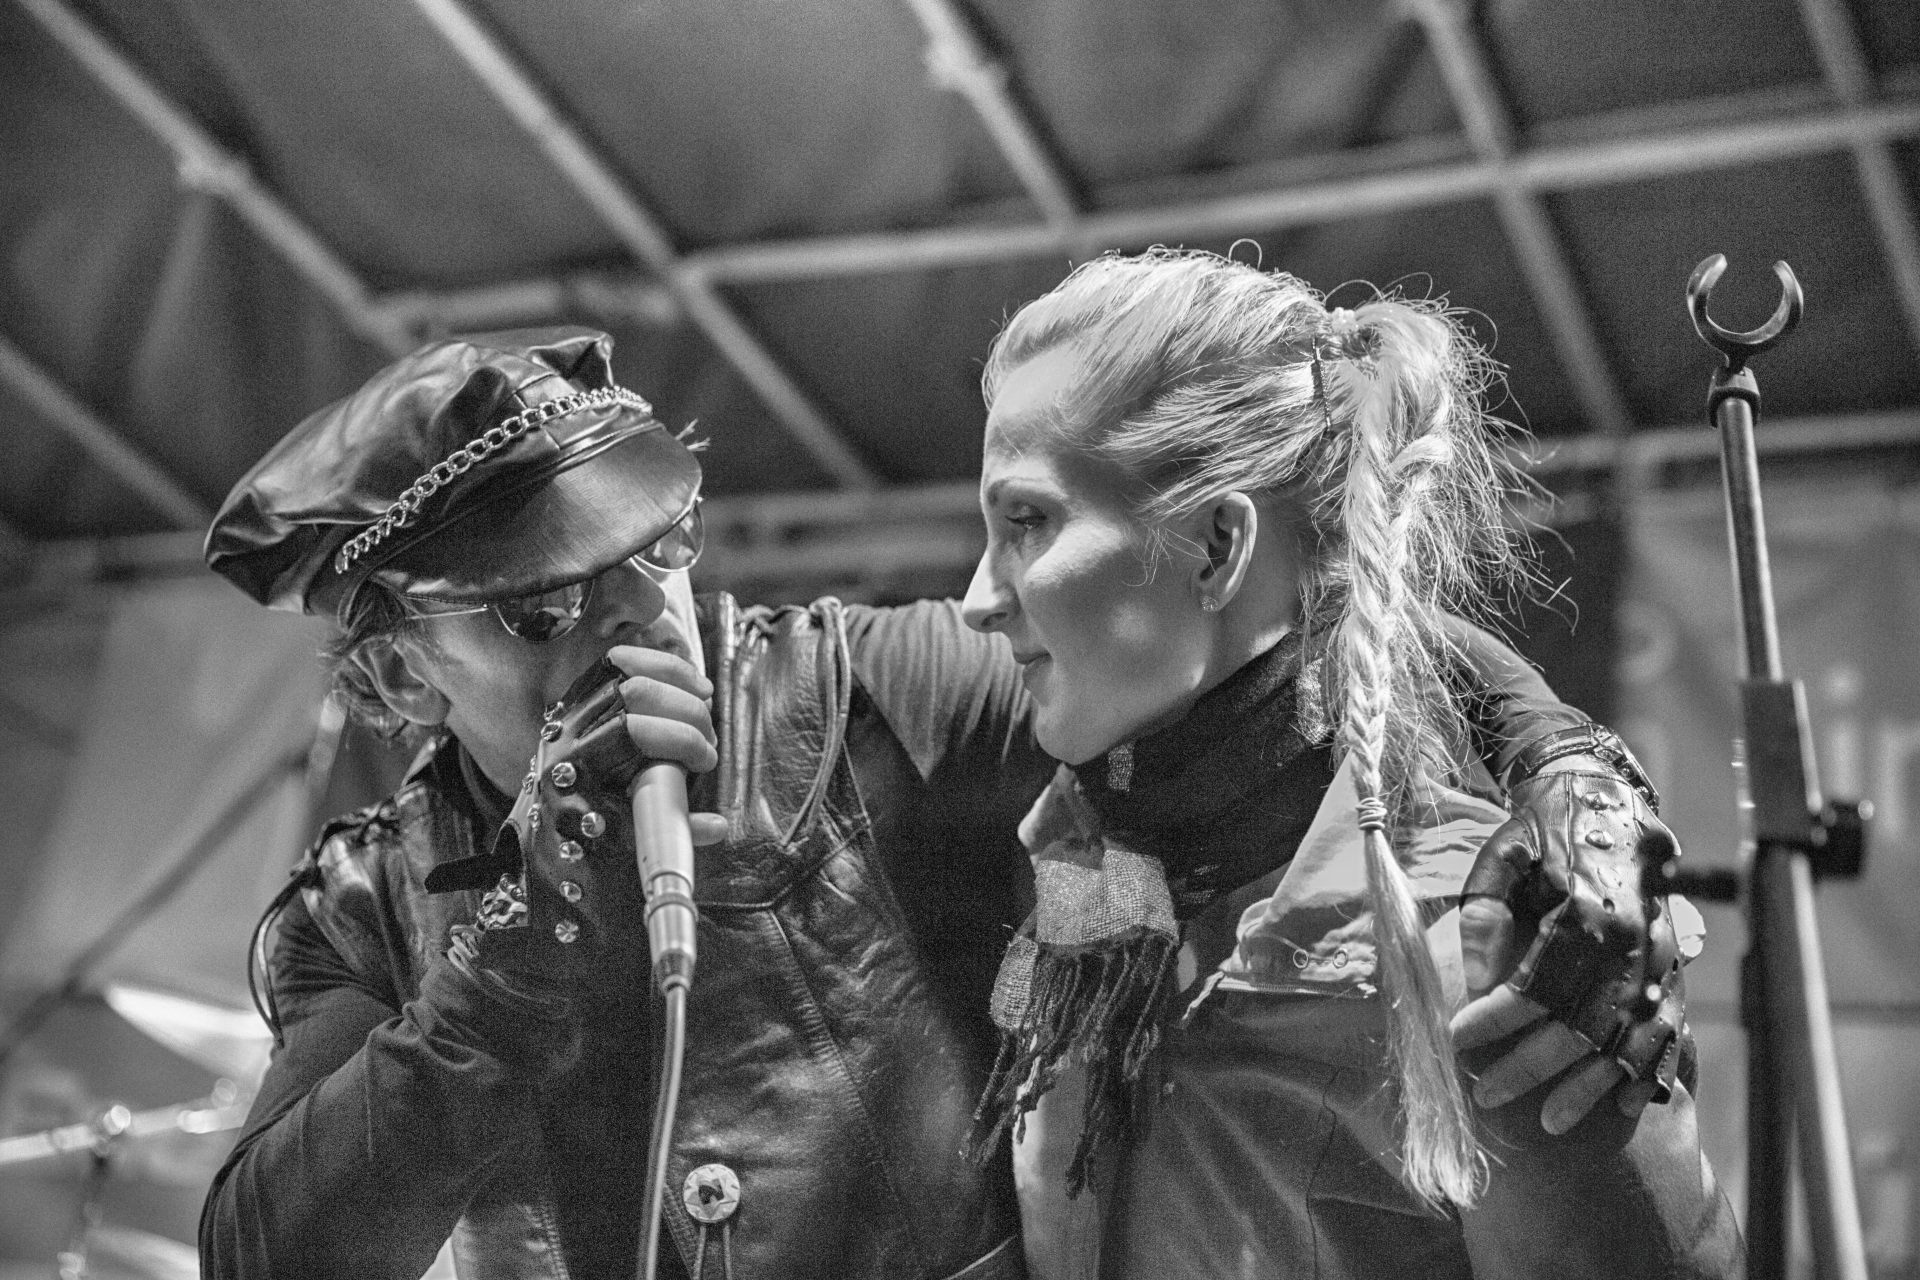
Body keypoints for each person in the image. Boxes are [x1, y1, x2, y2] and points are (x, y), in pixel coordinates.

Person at [196, 324, 1704, 1279]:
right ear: (395, 670)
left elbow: (1302, 629)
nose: (640, 622)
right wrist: (523, 948)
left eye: (659, 547)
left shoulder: (865, 693)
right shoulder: (368, 902)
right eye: (539, 611)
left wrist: (1572, 775)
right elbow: (264, 1256)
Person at [960, 248, 1743, 1279]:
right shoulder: (1085, 903)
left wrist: (1568, 760)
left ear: (1217, 546)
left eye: (1027, 523)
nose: (976, 599)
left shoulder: (1491, 945)